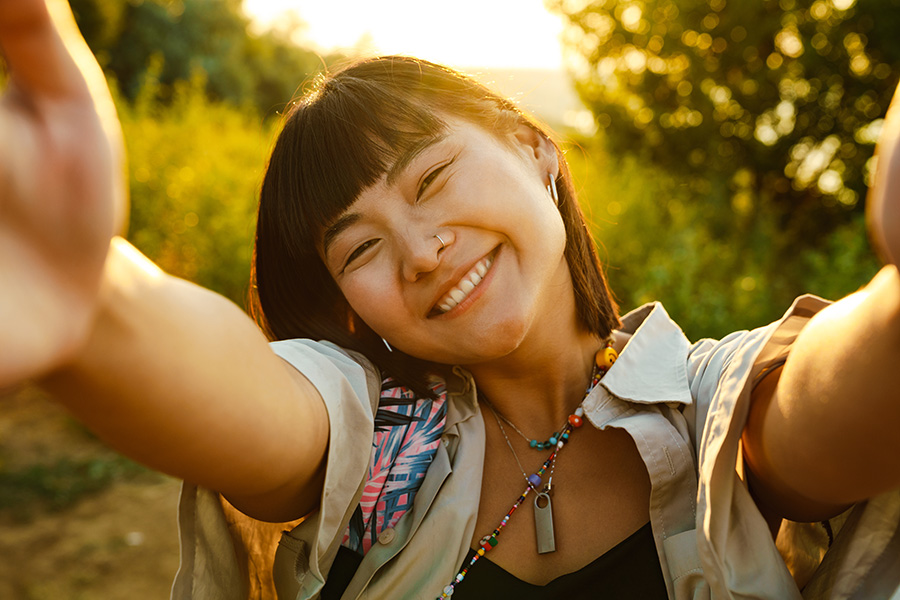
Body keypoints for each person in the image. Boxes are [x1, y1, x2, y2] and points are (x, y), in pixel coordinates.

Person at [2, 1, 900, 598]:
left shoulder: (712, 407)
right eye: (360, 247)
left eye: (430, 178)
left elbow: (827, 401)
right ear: (347, 303)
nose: (423, 253)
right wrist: (94, 304)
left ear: (533, 148)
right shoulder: (370, 444)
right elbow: (259, 403)